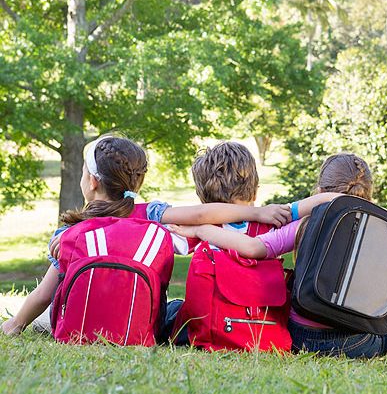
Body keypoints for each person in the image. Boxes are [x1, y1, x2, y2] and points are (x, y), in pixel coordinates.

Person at [169, 152, 387, 357]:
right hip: (356, 343)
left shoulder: (304, 223)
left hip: (300, 337)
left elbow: (255, 248)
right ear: (369, 193)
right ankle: (373, 345)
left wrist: (204, 231)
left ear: (319, 191)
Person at [0, 136, 292, 337]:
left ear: (91, 181)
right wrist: (256, 212)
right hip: (139, 323)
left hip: (79, 316)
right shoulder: (150, 213)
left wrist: (14, 325)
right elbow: (202, 215)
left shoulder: (73, 230)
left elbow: (43, 293)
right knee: (176, 309)